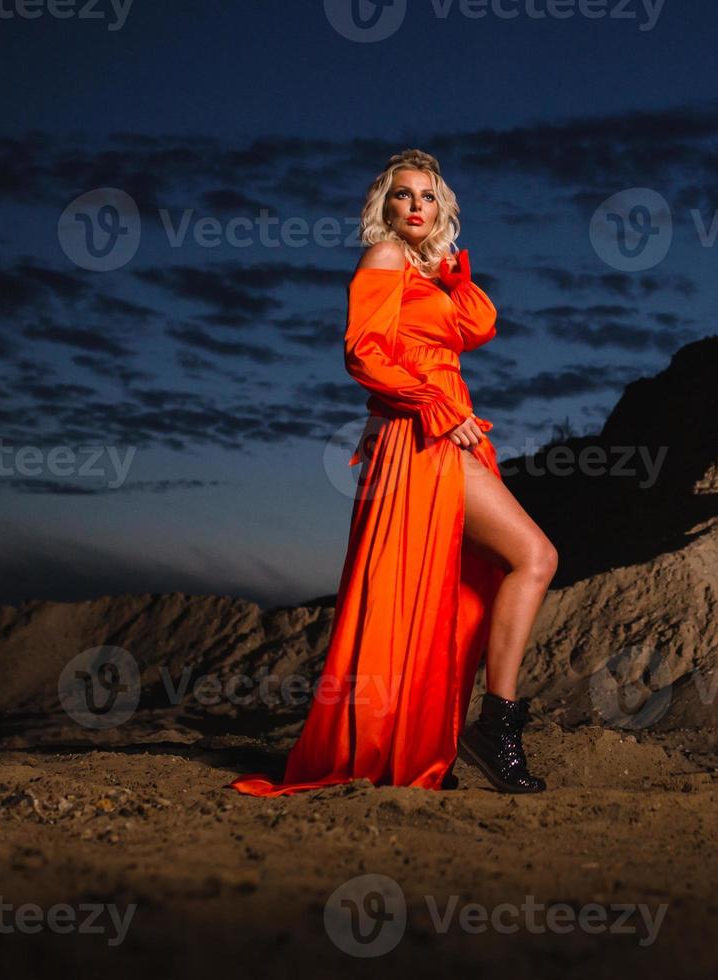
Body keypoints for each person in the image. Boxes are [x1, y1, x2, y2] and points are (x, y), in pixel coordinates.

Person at [228, 149, 558, 796]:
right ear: (384, 206)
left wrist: (453, 275)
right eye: (403, 195)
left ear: (442, 209)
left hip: (450, 427)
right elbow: (363, 353)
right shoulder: (381, 260)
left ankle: (454, 733)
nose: (416, 206)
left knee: (459, 589)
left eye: (428, 197)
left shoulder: (431, 273)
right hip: (419, 433)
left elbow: (480, 327)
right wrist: (432, 402)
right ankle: (496, 726)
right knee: (535, 556)